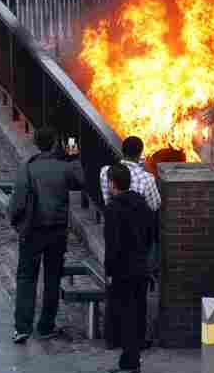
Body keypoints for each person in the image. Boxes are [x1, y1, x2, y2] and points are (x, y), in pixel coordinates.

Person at [8, 126, 83, 344]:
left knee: (26, 278)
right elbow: (80, 182)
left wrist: (16, 221)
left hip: (32, 230)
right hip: (57, 231)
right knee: (52, 279)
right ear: (55, 143)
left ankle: (22, 327)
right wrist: (74, 154)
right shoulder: (64, 167)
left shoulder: (27, 168)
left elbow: (18, 202)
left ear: (36, 143)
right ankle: (46, 325)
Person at [103, 164, 155, 373]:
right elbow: (151, 234)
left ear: (113, 184)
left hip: (123, 269)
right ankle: (134, 356)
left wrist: (110, 269)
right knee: (137, 312)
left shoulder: (114, 208)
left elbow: (113, 243)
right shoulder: (142, 204)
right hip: (141, 266)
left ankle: (130, 364)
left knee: (125, 316)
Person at [100, 136, 161, 212]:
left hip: (114, 219)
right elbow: (154, 206)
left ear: (122, 151)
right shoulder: (147, 178)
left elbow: (107, 199)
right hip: (137, 222)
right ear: (140, 154)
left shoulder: (105, 172)